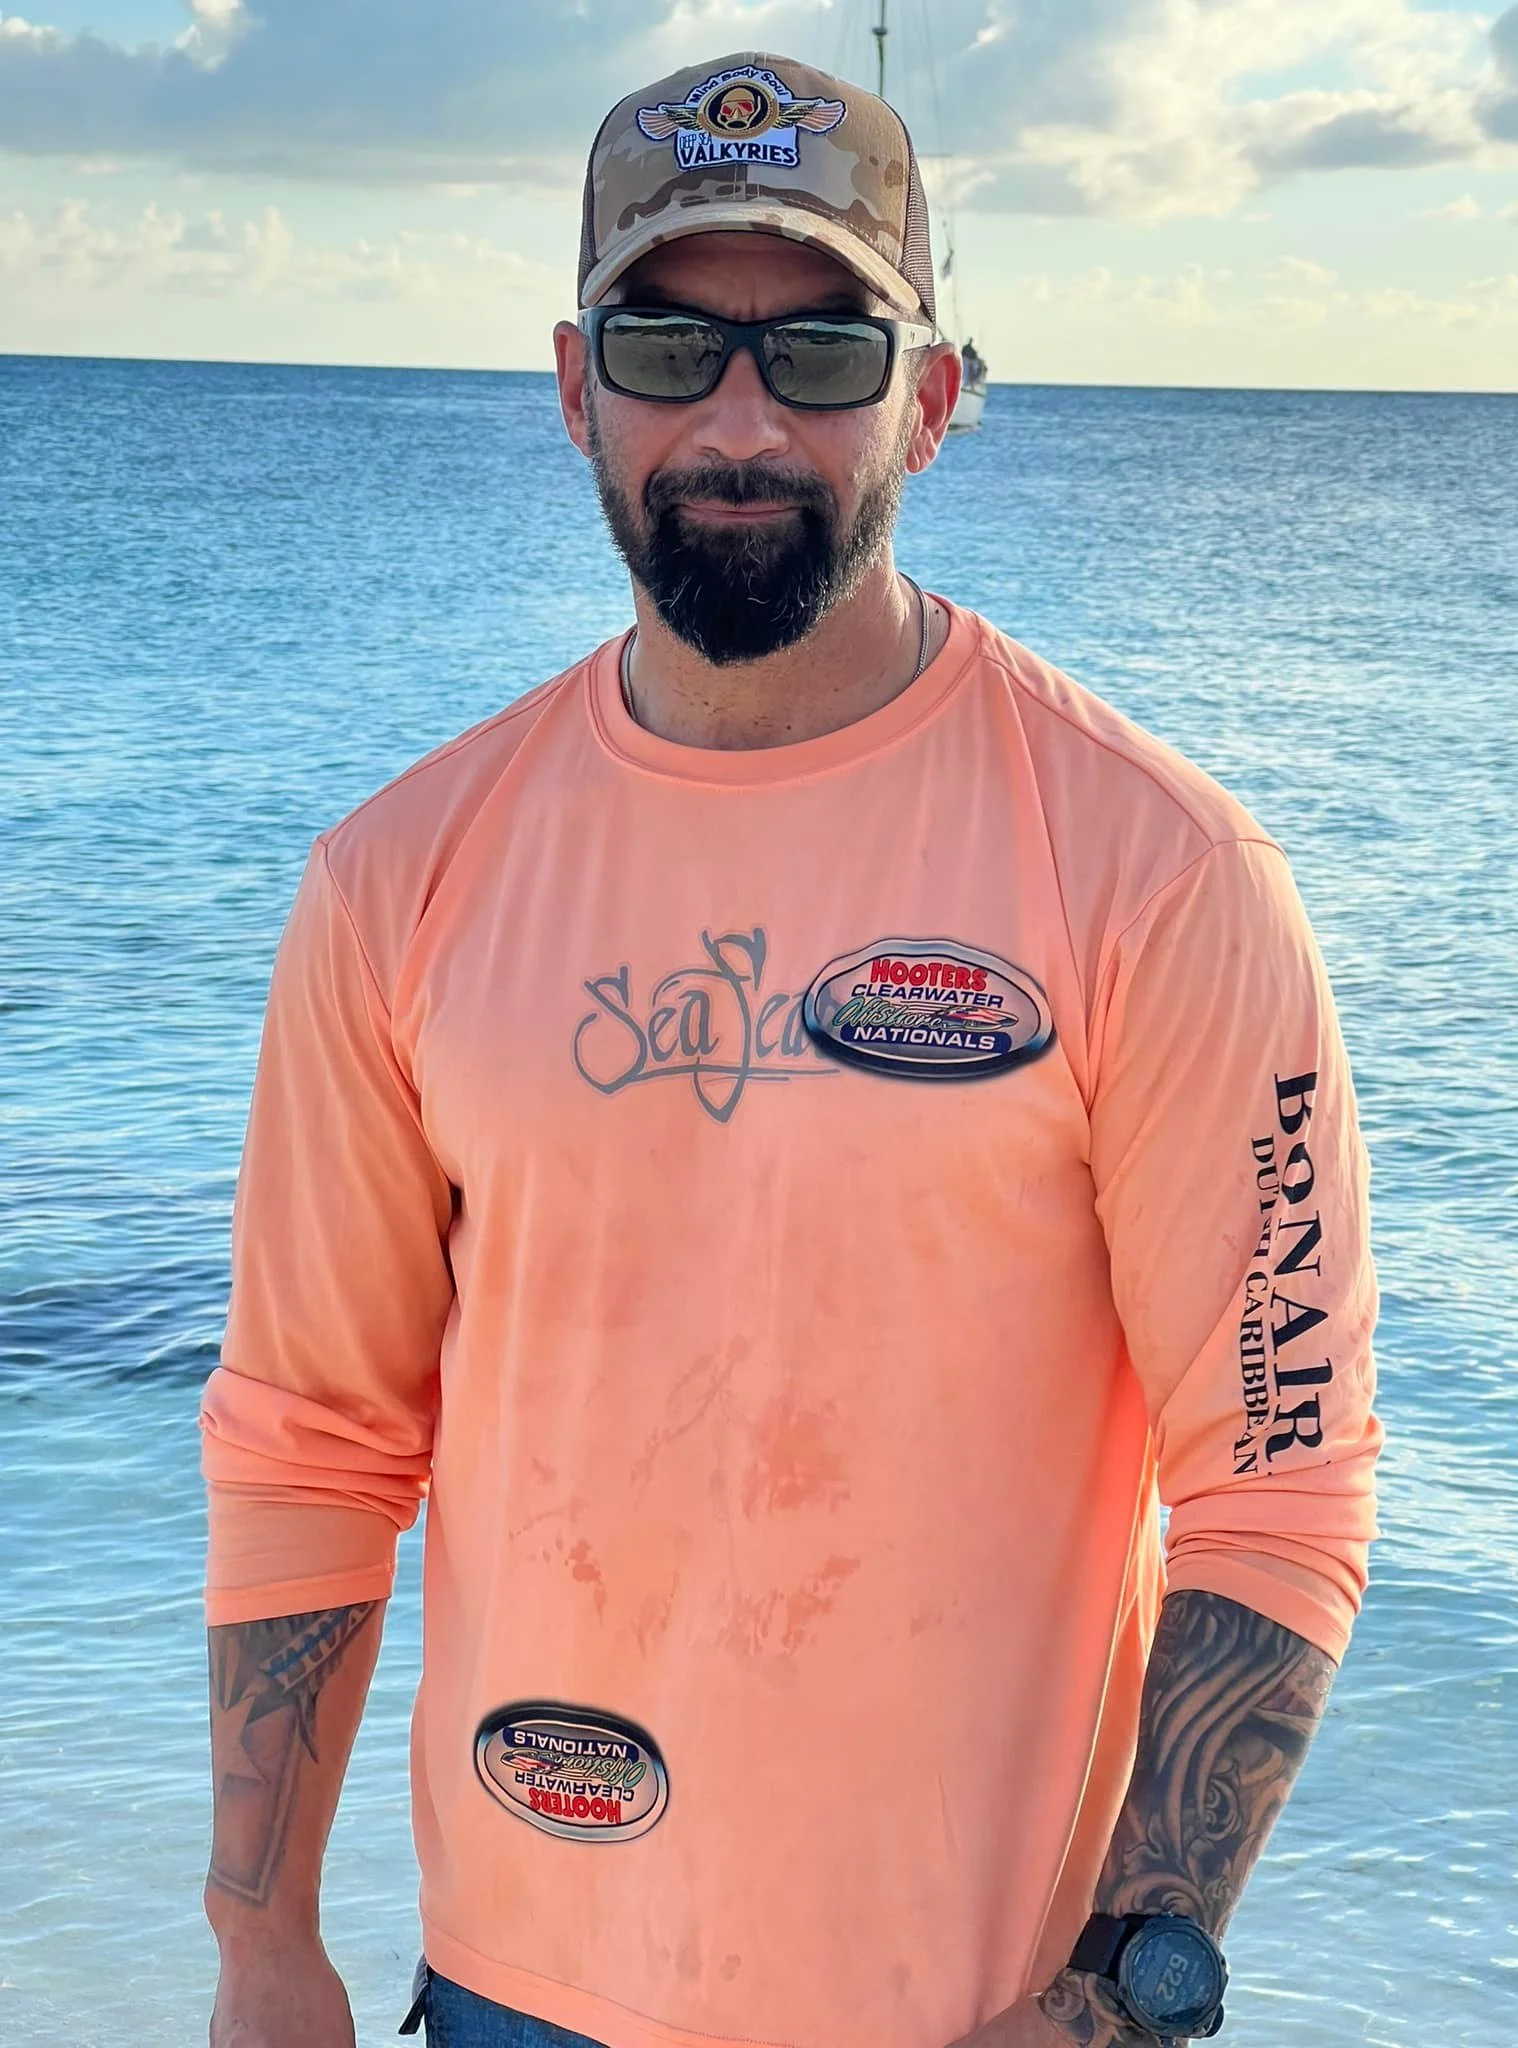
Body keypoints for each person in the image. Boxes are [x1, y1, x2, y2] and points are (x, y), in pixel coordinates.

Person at [199, 48, 1383, 2048]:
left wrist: (1120, 1998)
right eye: (671, 345)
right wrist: (262, 1947)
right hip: (508, 1990)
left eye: (823, 352)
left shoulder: (1159, 873)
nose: (740, 422)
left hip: (973, 2012)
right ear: (575, 387)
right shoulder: (401, 877)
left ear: (931, 400)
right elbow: (312, 1438)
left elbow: (1282, 1481)